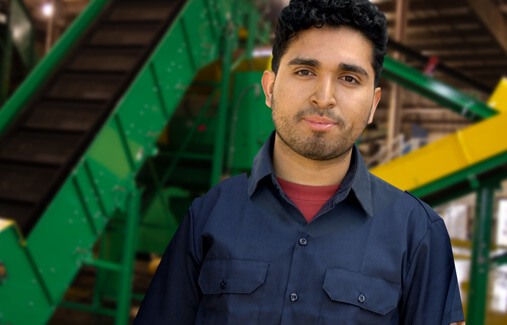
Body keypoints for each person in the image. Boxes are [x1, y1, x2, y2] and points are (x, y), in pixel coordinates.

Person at [134, 0, 465, 324]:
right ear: (270, 87)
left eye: (349, 78)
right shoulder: (208, 217)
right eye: (305, 71)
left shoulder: (418, 234)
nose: (323, 97)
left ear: (373, 105)